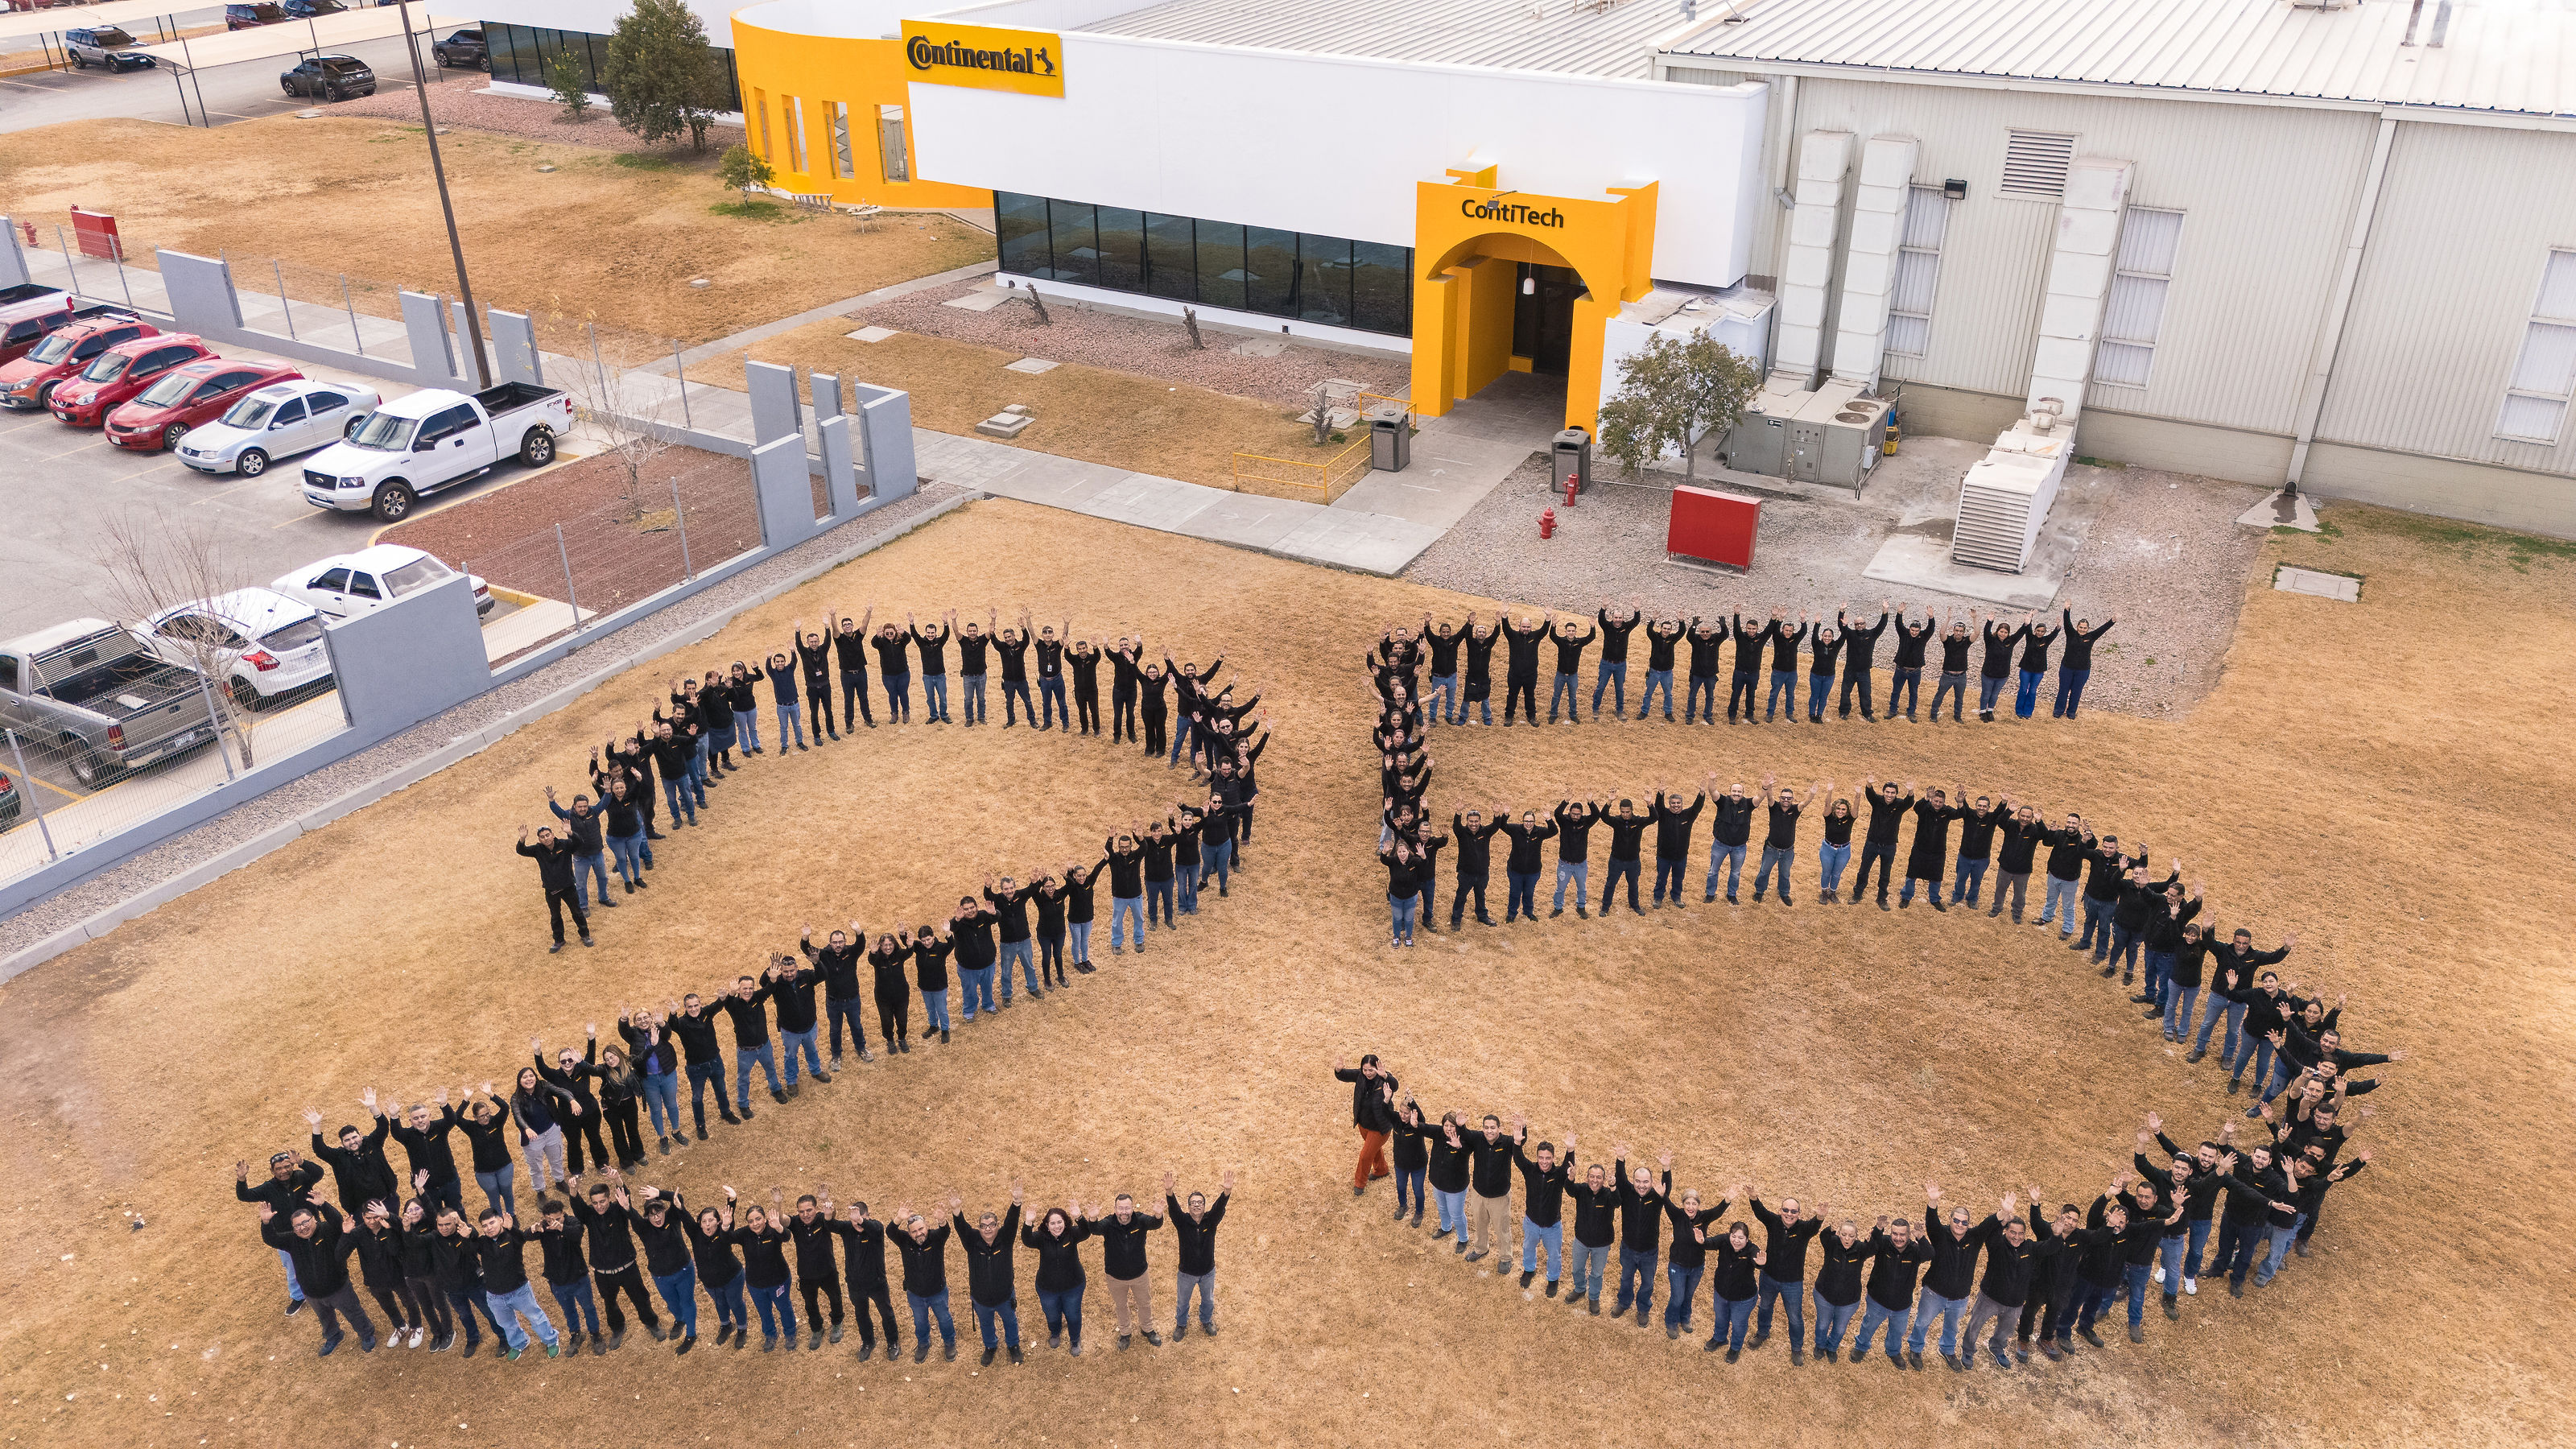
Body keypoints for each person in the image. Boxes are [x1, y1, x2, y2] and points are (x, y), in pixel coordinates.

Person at [260, 1189, 378, 1355]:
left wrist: (323, 1205)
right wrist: (266, 1224)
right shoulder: (292, 1240)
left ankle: (366, 1334)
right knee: (325, 1318)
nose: (302, 1228)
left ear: (314, 1219)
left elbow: (338, 1222)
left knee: (354, 1312)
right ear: (293, 1229)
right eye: (298, 1226)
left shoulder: (327, 1231)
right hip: (312, 1293)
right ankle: (333, 1336)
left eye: (305, 1222)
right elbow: (271, 1239)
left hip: (338, 1288)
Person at [1957, 1192, 2062, 1369]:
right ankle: (1967, 1350)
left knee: (2005, 1332)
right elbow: (1989, 1232)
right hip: (1989, 1298)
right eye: (2012, 1232)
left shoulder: (2030, 1247)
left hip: (2015, 1304)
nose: (2016, 1237)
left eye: (2020, 1233)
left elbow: (2051, 1247)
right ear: (2006, 1232)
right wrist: (2002, 1218)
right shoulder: (1997, 1245)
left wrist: (2057, 1235)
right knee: (1975, 1326)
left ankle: (1997, 1348)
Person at [570, 1178, 663, 1348]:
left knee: (641, 1298)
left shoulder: (618, 1210)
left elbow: (625, 1198)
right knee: (609, 1303)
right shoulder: (589, 1215)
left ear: (609, 1199)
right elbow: (578, 1208)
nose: (599, 1206)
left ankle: (652, 1323)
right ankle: (618, 1328)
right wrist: (573, 1191)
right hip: (603, 1273)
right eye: (595, 1203)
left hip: (627, 1268)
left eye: (603, 1201)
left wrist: (618, 1181)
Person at [475, 1208, 564, 1360]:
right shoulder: (482, 1242)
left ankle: (551, 1340)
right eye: (484, 1226)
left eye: (492, 1223)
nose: (489, 1228)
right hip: (495, 1296)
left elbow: (521, 1239)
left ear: (501, 1221)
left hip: (519, 1291)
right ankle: (519, 1343)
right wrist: (469, 1233)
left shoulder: (512, 1237)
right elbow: (469, 1246)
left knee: (535, 1317)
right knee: (506, 1323)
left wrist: (512, 1228)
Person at [951, 1187, 1025, 1366]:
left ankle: (1013, 1345)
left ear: (998, 1226)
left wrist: (1016, 1203)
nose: (988, 1229)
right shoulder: (972, 1241)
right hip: (981, 1298)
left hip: (1005, 1296)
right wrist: (956, 1211)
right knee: (986, 1324)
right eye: (983, 1226)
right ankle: (990, 1346)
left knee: (1010, 1321)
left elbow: (1013, 1221)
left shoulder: (1005, 1239)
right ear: (979, 1228)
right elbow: (962, 1228)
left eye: (992, 1225)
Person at [1748, 1189, 1823, 1363]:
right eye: (1786, 1210)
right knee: (1765, 1307)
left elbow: (1814, 1227)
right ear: (1780, 1211)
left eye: (1794, 1211)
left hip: (1793, 1283)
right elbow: (1760, 1212)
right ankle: (1762, 1333)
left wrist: (1820, 1217)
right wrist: (1754, 1197)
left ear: (1799, 1213)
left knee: (1795, 1317)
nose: (1789, 1214)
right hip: (1769, 1277)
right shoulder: (1773, 1222)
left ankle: (1797, 1348)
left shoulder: (1804, 1229)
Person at [826, 1195, 902, 1361]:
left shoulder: (875, 1228)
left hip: (877, 1283)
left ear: (867, 1216)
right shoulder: (847, 1229)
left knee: (886, 1313)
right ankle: (868, 1342)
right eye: (854, 1221)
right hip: (855, 1285)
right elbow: (831, 1224)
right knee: (861, 1314)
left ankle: (893, 1343)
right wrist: (828, 1214)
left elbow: (876, 1228)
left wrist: (860, 1220)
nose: (858, 1224)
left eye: (861, 1219)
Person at [1910, 1185, 1975, 1369]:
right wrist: (1933, 1201)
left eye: (1964, 1222)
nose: (1960, 1225)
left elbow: (1990, 1225)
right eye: (1957, 1220)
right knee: (1922, 1322)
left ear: (1968, 1224)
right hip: (1934, 1294)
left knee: (1952, 1328)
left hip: (1959, 1298)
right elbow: (1931, 1222)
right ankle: (1915, 1348)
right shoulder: (1940, 1235)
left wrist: (2004, 1213)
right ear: (1951, 1220)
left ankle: (1947, 1350)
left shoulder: (1973, 1238)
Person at [1089, 1190, 1164, 1350]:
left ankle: (1147, 1329)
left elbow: (1155, 1224)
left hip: (1140, 1275)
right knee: (1121, 1305)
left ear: (1132, 1208)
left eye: (1127, 1208)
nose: (1124, 1212)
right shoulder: (1109, 1223)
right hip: (1115, 1277)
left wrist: (1158, 1215)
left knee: (1144, 1303)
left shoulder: (1141, 1220)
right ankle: (1125, 1333)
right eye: (1120, 1208)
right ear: (1115, 1209)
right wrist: (1093, 1218)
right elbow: (1095, 1229)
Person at [630, 1186, 700, 1354]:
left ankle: (691, 1334)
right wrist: (627, 1205)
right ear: (647, 1216)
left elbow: (679, 1198)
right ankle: (679, 1320)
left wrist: (660, 1194)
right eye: (652, 1214)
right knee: (673, 1303)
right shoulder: (643, 1227)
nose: (657, 1217)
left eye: (659, 1211)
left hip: (683, 1271)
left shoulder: (672, 1218)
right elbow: (629, 1212)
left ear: (664, 1210)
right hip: (661, 1276)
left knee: (687, 1302)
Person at [724, 1189, 797, 1351]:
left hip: (779, 1281)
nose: (755, 1224)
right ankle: (770, 1335)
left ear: (765, 1219)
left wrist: (778, 1227)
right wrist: (726, 1223)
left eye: (758, 1219)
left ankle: (790, 1334)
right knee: (764, 1312)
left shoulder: (773, 1230)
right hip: (755, 1284)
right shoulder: (745, 1234)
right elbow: (727, 1238)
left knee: (784, 1308)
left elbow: (787, 1237)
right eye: (751, 1221)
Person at [1852, 1214, 1929, 1367]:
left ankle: (1893, 1351)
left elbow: (1929, 1254)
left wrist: (1921, 1237)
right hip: (1877, 1300)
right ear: (1891, 1233)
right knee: (1868, 1326)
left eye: (1902, 1234)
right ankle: (1861, 1346)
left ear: (1909, 1235)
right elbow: (1870, 1247)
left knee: (1898, 1332)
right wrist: (1878, 1228)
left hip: (1902, 1305)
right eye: (1895, 1233)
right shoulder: (1884, 1243)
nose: (1898, 1238)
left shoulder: (1915, 1250)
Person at [662, 991, 739, 1142]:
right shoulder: (682, 1023)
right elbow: (672, 1025)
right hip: (696, 1068)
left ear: (700, 1004)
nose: (694, 1009)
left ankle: (726, 1112)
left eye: (696, 1005)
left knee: (721, 1090)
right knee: (697, 1098)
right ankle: (700, 1126)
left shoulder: (706, 1013)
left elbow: (719, 1005)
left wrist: (725, 996)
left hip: (715, 1061)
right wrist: (672, 1012)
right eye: (690, 1007)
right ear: (685, 1008)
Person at [533, 1195, 605, 1356]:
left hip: (579, 1277)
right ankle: (575, 1334)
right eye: (550, 1220)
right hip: (557, 1281)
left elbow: (577, 1234)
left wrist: (561, 1228)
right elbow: (526, 1236)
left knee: (588, 1307)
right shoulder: (544, 1227)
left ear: (563, 1214)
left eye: (558, 1218)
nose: (554, 1222)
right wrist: (534, 1229)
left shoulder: (572, 1222)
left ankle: (595, 1334)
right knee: (569, 1310)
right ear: (545, 1219)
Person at [800, 923, 875, 1071]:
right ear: (830, 943)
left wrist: (859, 931)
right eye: (835, 942)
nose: (838, 945)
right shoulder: (823, 954)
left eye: (841, 942)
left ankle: (861, 1048)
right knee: (835, 1030)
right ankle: (836, 1056)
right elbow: (806, 949)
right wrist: (806, 937)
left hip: (853, 999)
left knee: (857, 1026)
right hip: (833, 1002)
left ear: (845, 942)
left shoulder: (851, 952)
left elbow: (861, 944)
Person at [306, 1099, 398, 1218]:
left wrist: (373, 1107)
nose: (352, 1142)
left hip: (387, 1202)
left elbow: (383, 1127)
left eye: (354, 1137)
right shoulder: (338, 1157)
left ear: (361, 1136)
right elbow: (320, 1150)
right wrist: (316, 1126)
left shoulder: (373, 1143)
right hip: (360, 1211)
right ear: (342, 1143)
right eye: (347, 1140)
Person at [532, 1039, 610, 1181]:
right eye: (563, 1061)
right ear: (559, 1064)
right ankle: (576, 1169)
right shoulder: (555, 1076)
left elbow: (590, 1056)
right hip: (568, 1118)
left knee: (595, 1138)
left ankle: (602, 1163)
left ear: (574, 1060)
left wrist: (591, 1038)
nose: (567, 1063)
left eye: (570, 1060)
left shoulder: (583, 1069)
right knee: (573, 1143)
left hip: (590, 1113)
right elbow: (542, 1069)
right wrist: (538, 1052)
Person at [1506, 1121, 1570, 1294]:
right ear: (1537, 1157)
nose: (1544, 1161)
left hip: (1552, 1226)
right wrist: (1517, 1142)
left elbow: (1568, 1166)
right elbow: (1518, 1158)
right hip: (1532, 1222)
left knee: (1555, 1255)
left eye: (1548, 1158)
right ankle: (1529, 1270)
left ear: (1553, 1159)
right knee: (1528, 1248)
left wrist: (1571, 1150)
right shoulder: (1530, 1170)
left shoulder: (1558, 1175)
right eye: (1541, 1158)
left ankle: (1553, 1279)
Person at [678, 1191, 749, 1347]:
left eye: (711, 1220)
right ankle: (726, 1325)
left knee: (735, 1303)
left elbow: (729, 1216)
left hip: (732, 1278)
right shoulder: (695, 1234)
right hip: (710, 1283)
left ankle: (742, 1329)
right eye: (704, 1221)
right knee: (720, 1304)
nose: (708, 1224)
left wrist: (732, 1200)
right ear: (700, 1223)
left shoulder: (724, 1232)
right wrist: (678, 1206)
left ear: (718, 1222)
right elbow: (684, 1215)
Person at [1167, 1169, 1231, 1340]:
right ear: (1188, 1207)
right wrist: (1169, 1192)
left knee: (1208, 1301)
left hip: (1208, 1272)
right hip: (1186, 1274)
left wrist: (1226, 1192)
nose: (1196, 1205)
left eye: (1200, 1202)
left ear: (1204, 1206)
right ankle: (1181, 1324)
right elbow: (1173, 1210)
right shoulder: (1182, 1222)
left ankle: (1206, 1320)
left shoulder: (1211, 1221)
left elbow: (1219, 1207)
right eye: (1193, 1203)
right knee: (1182, 1303)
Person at [1023, 1199, 1092, 1355]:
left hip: (1073, 1286)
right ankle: (1055, 1332)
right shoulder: (1041, 1237)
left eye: (1059, 1222)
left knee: (1073, 1315)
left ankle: (1075, 1340)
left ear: (1065, 1223)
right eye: (1052, 1223)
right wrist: (1028, 1222)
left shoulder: (1072, 1234)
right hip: (1047, 1288)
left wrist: (1079, 1217)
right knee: (1052, 1315)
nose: (1057, 1226)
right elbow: (1027, 1240)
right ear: (1047, 1225)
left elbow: (1086, 1232)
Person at [1609, 1149, 1670, 1326]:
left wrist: (1666, 1168)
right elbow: (1621, 1179)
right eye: (1637, 1181)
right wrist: (1620, 1159)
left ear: (1652, 1182)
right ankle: (1624, 1302)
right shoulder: (1628, 1193)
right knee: (1626, 1278)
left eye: (1645, 1182)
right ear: (1633, 1181)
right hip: (1628, 1248)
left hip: (1649, 1252)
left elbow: (1667, 1188)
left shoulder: (1657, 1198)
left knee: (1647, 1284)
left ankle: (1643, 1308)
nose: (1641, 1185)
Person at [715, 970, 786, 1117]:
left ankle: (776, 1089)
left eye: (750, 988)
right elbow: (727, 1002)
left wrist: (773, 979)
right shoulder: (733, 1004)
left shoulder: (758, 998)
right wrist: (731, 993)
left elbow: (769, 989)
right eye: (744, 988)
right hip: (745, 1051)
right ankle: (743, 1103)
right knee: (743, 1078)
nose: (748, 991)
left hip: (764, 1046)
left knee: (771, 1069)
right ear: (739, 990)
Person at [784, 1187, 847, 1349]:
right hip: (806, 1275)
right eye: (801, 1211)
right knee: (810, 1304)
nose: (805, 1214)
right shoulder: (796, 1223)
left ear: (816, 1209)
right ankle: (817, 1329)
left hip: (828, 1271)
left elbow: (831, 1215)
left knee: (835, 1298)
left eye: (809, 1210)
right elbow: (781, 1220)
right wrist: (777, 1203)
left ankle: (837, 1323)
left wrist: (827, 1199)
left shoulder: (822, 1219)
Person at [514, 825, 593, 953]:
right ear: (539, 839)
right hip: (551, 890)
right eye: (542, 837)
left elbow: (579, 843)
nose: (546, 839)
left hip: (568, 887)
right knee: (555, 916)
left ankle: (585, 935)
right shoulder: (537, 850)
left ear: (553, 835)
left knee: (577, 912)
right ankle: (559, 940)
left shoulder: (565, 844)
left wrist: (571, 833)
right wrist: (522, 839)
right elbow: (521, 850)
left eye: (547, 835)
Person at [1660, 1183, 1723, 1340]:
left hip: (1697, 1266)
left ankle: (1685, 1318)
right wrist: (1663, 1195)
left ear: (1698, 1205)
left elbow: (1717, 1212)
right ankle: (1671, 1321)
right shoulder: (1677, 1215)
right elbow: (1667, 1203)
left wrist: (1727, 1200)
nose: (1691, 1206)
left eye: (1694, 1203)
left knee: (1688, 1295)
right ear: (1683, 1204)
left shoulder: (1704, 1217)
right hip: (1677, 1265)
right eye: (1687, 1203)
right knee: (1678, 1296)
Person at [507, 1065, 580, 1199]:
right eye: (525, 1077)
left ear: (535, 1077)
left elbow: (560, 1091)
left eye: (531, 1076)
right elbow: (517, 1116)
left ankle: (559, 1181)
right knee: (535, 1167)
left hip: (551, 1131)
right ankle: (540, 1191)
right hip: (533, 1138)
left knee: (556, 1159)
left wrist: (571, 1100)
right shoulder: (516, 1098)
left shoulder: (544, 1086)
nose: (529, 1079)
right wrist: (526, 1128)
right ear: (519, 1081)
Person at [543, 786, 616, 917]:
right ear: (574, 807)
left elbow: (604, 803)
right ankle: (583, 905)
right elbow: (556, 810)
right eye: (580, 807)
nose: (583, 809)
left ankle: (603, 898)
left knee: (603, 878)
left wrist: (608, 792)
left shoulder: (594, 811)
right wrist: (551, 800)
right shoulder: (568, 815)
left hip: (597, 853)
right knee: (581, 883)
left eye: (585, 806)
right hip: (580, 857)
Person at [388, 1096, 464, 1220]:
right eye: (416, 1118)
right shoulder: (408, 1136)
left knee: (457, 1212)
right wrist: (394, 1116)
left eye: (423, 1117)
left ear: (429, 1116)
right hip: (426, 1187)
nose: (420, 1121)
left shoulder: (440, 1128)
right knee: (433, 1217)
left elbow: (451, 1119)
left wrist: (444, 1104)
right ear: (410, 1121)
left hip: (450, 1182)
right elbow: (396, 1133)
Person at [1333, 1055, 1398, 1197]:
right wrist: (1338, 1070)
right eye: (1365, 1070)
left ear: (1377, 1068)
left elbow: (1395, 1086)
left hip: (1380, 1127)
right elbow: (1344, 1075)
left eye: (1371, 1070)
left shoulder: (1384, 1079)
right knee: (1373, 1150)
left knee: (1365, 1156)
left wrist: (1385, 1075)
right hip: (1363, 1124)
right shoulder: (1360, 1076)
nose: (1368, 1073)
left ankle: (1360, 1184)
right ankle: (1381, 1170)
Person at [1808, 1217, 1871, 1362]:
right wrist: (1831, 1228)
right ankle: (1820, 1345)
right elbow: (1824, 1236)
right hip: (1824, 1295)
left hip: (1849, 1300)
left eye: (1851, 1236)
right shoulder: (1832, 1244)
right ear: (1839, 1234)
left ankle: (1832, 1348)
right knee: (1823, 1324)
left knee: (1840, 1328)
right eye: (1843, 1234)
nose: (1847, 1239)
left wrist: (1876, 1233)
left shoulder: (1860, 1250)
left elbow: (1872, 1248)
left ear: (1856, 1237)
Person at [1752, 778, 1823, 905]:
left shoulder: (1795, 810)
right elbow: (1769, 797)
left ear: (1792, 800)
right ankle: (1759, 892)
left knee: (1785, 874)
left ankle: (1784, 894)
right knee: (1764, 871)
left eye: (1789, 798)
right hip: (1771, 849)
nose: (1786, 800)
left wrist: (1812, 794)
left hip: (1788, 851)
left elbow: (1805, 803)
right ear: (1780, 798)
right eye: (1783, 798)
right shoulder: (1774, 807)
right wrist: (1769, 786)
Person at [1897, 785, 1967, 910]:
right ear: (1932, 800)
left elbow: (1961, 814)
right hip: (1919, 848)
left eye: (1940, 802)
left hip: (1938, 851)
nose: (1937, 804)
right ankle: (1906, 897)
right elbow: (1917, 807)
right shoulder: (1925, 808)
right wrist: (1926, 797)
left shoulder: (1946, 811)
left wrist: (1961, 803)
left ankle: (1934, 899)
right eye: (1935, 801)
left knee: (1936, 877)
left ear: (1944, 802)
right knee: (1912, 874)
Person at [1459, 1114, 1517, 1263]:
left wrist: (1523, 1129)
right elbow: (1465, 1134)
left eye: (1493, 1128)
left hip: (1499, 1197)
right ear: (1483, 1128)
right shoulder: (1478, 1138)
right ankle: (1481, 1248)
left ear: (1499, 1129)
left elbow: (1520, 1143)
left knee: (1502, 1229)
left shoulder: (1508, 1142)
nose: (1489, 1131)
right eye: (1486, 1128)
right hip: (1479, 1194)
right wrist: (1461, 1126)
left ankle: (1505, 1257)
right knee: (1479, 1224)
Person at [1705, 1221, 1766, 1360]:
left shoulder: (1751, 1249)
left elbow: (1757, 1259)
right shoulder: (1724, 1241)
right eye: (1734, 1236)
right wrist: (1702, 1241)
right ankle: (1719, 1338)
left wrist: (1760, 1263)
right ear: (1730, 1235)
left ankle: (1735, 1348)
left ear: (1747, 1239)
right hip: (1721, 1292)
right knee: (1721, 1318)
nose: (1736, 1241)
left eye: (1741, 1238)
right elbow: (1710, 1243)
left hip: (1743, 1299)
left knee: (1739, 1324)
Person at [452, 1087, 517, 1214]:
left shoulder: (496, 1122)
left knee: (507, 1192)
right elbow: (456, 1118)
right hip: (484, 1172)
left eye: (487, 1114)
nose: (486, 1118)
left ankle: (512, 1215)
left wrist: (491, 1095)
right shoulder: (471, 1128)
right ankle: (497, 1219)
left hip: (504, 1166)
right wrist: (466, 1100)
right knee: (494, 1198)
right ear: (475, 1117)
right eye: (481, 1116)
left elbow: (505, 1108)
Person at [1850, 779, 1911, 908]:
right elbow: (1869, 793)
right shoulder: (1877, 801)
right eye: (1887, 792)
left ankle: (1882, 898)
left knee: (1885, 874)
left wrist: (1911, 791)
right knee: (1863, 871)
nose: (1889, 795)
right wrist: (1869, 783)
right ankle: (1857, 894)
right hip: (1872, 843)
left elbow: (1909, 802)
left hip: (1889, 846)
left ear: (1896, 794)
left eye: (1893, 793)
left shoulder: (1899, 805)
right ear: (1883, 792)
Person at [1648, 779, 1708, 908]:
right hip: (1663, 855)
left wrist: (1702, 793)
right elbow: (1658, 806)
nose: (1676, 805)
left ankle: (1676, 897)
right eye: (1673, 803)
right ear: (1669, 804)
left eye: (1678, 803)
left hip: (1681, 856)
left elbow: (1697, 807)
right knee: (1661, 879)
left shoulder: (1688, 815)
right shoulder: (1663, 815)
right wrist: (1661, 793)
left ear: (1682, 804)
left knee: (1678, 879)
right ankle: (1658, 898)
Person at [985, 873, 1042, 1004]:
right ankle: (1006, 994)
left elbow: (1031, 890)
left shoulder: (1020, 895)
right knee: (1006, 970)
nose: (1009, 891)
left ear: (1015, 888)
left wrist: (1034, 882)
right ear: (1002, 890)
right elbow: (988, 897)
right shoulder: (998, 899)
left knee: (1029, 966)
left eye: (1011, 888)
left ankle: (1033, 987)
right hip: (1007, 943)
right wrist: (987, 887)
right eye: (1006, 889)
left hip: (1024, 940)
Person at [1703, 777, 1758, 904]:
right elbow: (1713, 792)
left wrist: (1765, 788)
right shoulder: (1722, 802)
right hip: (1720, 845)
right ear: (1730, 792)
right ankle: (1710, 894)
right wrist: (1711, 780)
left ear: (1743, 794)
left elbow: (1759, 798)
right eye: (1734, 791)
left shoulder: (1748, 804)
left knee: (1735, 873)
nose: (1736, 794)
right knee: (1713, 871)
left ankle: (1731, 895)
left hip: (1739, 847)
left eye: (1739, 792)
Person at [2054, 608, 2117, 718]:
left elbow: (2103, 629)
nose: (2083, 630)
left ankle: (2071, 712)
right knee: (2063, 690)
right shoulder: (2071, 634)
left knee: (2076, 692)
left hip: (2083, 670)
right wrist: (2067, 610)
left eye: (2085, 628)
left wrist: (2112, 621)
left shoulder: (2091, 636)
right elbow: (2067, 621)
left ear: (2088, 629)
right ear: (2077, 627)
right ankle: (2058, 711)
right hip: (2067, 668)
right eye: (2081, 627)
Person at [1988, 805, 2046, 923]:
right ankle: (1997, 908)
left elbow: (2046, 836)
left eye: (2028, 817)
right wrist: (2009, 811)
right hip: (2005, 867)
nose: (2025, 819)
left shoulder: (2035, 830)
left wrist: (2039, 822)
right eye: (2023, 815)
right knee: (2000, 889)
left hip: (2023, 871)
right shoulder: (2010, 825)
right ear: (2018, 815)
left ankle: (2017, 913)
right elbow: (1999, 821)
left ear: (2032, 818)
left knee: (2020, 894)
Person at [1951, 792, 2008, 909]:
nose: (1982, 808)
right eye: (1979, 805)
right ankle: (1957, 896)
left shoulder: (1992, 819)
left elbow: (1999, 811)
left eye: (1984, 806)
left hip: (1982, 859)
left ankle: (1972, 899)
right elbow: (1964, 807)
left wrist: (2004, 802)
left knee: (1976, 882)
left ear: (1988, 808)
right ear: (1976, 805)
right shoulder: (1969, 815)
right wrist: (1962, 801)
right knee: (1960, 879)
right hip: (1964, 856)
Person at [1448, 807, 1501, 928]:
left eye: (1476, 821)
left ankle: (1482, 916)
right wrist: (1458, 812)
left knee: (1480, 895)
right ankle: (1456, 919)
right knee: (1461, 896)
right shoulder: (1461, 833)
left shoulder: (1485, 832)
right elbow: (1456, 826)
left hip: (1482, 873)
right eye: (1471, 821)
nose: (1474, 824)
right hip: (1466, 874)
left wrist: (1497, 813)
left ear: (1480, 821)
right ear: (1467, 821)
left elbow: (1496, 826)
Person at [1601, 797, 1652, 915]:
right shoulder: (1616, 821)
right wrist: (1609, 801)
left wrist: (1649, 804)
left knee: (1633, 884)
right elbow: (1603, 816)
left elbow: (1654, 817)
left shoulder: (1638, 821)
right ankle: (1605, 907)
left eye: (1627, 812)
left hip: (1633, 861)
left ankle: (1635, 905)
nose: (1625, 814)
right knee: (1610, 884)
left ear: (1632, 810)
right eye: (1623, 812)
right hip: (1616, 860)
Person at [1549, 795, 1596, 918]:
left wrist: (1590, 802)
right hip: (1565, 864)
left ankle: (1581, 907)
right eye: (1573, 814)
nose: (1575, 817)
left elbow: (1597, 815)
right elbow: (1557, 813)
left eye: (1578, 814)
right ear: (1569, 813)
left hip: (1581, 864)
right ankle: (1558, 908)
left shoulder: (1585, 822)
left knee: (1582, 888)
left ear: (1582, 814)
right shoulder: (1564, 821)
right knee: (1560, 888)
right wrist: (1565, 801)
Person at [830, 607, 877, 731]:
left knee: (863, 697)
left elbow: (864, 625)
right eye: (845, 625)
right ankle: (849, 723)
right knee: (849, 699)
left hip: (861, 672)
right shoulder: (839, 639)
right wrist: (833, 616)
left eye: (849, 624)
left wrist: (869, 612)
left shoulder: (858, 636)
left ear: (852, 625)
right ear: (842, 627)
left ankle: (868, 719)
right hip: (847, 675)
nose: (847, 626)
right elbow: (834, 629)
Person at [1591, 601, 1641, 717]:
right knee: (1600, 687)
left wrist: (1637, 609)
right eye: (1616, 617)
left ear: (1623, 618)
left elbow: (1636, 621)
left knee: (1620, 689)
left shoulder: (1626, 627)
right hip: (1606, 663)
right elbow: (1601, 619)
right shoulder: (1607, 626)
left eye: (1620, 618)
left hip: (1621, 665)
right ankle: (1595, 709)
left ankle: (1620, 711)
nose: (1618, 620)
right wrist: (1603, 607)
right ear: (1612, 618)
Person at [793, 621, 840, 742]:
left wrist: (827, 627)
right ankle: (817, 736)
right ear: (808, 642)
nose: (814, 644)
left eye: (816, 641)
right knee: (814, 713)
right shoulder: (804, 653)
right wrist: (797, 630)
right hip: (812, 688)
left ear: (819, 642)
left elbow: (828, 640)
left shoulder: (823, 650)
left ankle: (831, 731)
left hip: (825, 686)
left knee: (828, 710)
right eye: (811, 642)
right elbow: (798, 645)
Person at [1499, 613, 1546, 725]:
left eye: (1528, 627)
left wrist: (1548, 618)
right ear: (1519, 626)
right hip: (1515, 674)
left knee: (1530, 696)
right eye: (1524, 626)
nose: (1526, 629)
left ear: (1531, 627)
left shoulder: (1535, 637)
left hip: (1530, 675)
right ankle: (1509, 717)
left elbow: (1544, 630)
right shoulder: (1512, 636)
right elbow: (1506, 628)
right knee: (1512, 696)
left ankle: (1532, 717)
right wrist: (1504, 616)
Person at [1724, 613, 1772, 723]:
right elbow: (1736, 628)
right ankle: (1732, 715)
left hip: (1754, 673)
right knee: (1736, 694)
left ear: (1757, 629)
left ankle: (1750, 715)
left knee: (1751, 695)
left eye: (1754, 629)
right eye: (1749, 628)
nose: (1751, 631)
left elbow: (1769, 631)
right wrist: (1736, 614)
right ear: (1746, 628)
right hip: (1739, 672)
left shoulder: (1761, 639)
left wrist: (1773, 618)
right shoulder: (1741, 637)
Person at [1977, 614, 2025, 722]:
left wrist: (2026, 624)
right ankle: (1982, 712)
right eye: (2001, 631)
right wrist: (1989, 621)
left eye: (2005, 632)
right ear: (1997, 631)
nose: (2003, 634)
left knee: (1994, 695)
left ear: (2008, 633)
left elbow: (2020, 633)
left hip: (2003, 675)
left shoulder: (2011, 641)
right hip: (1988, 674)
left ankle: (1990, 711)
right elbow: (1986, 631)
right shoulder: (1990, 640)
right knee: (1986, 694)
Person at [1927, 613, 1975, 722]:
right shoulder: (1948, 641)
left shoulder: (1966, 641)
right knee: (1940, 695)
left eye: (1961, 631)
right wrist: (1948, 618)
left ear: (1964, 632)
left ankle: (1957, 716)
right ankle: (1933, 714)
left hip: (1961, 676)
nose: (1958, 633)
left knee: (1959, 698)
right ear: (1953, 630)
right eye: (1956, 630)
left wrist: (1975, 618)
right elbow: (1941, 633)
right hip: (1947, 675)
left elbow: (1977, 633)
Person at [909, 610, 954, 723]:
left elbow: (946, 635)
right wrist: (911, 623)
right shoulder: (922, 643)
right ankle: (933, 716)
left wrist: (945, 623)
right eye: (928, 633)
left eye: (932, 633)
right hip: (927, 676)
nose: (930, 635)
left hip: (940, 676)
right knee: (930, 698)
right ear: (926, 633)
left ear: (935, 633)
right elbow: (914, 635)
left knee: (943, 698)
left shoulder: (940, 642)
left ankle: (944, 715)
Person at [2013, 612, 2060, 720]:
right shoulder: (2030, 637)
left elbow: (2055, 634)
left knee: (2033, 690)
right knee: (2023, 689)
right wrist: (2030, 618)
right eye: (2038, 631)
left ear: (2044, 632)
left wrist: (2058, 627)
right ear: (2035, 631)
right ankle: (2019, 710)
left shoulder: (2046, 640)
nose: (2039, 633)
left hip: (2038, 671)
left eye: (2042, 631)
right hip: (2026, 668)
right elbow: (2027, 628)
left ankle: (2028, 711)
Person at [1637, 613, 1682, 720]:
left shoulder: (1672, 639)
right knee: (1648, 693)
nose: (1666, 631)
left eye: (1668, 629)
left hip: (1667, 672)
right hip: (1654, 671)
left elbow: (1682, 632)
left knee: (1668, 694)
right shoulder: (1655, 637)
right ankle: (1644, 711)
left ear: (1671, 630)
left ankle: (1668, 713)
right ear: (1661, 628)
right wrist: (1653, 619)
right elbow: (1649, 630)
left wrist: (1681, 621)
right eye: (1664, 628)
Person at [871, 617, 913, 724]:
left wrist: (904, 633)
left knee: (903, 694)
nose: (889, 634)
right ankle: (894, 713)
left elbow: (908, 639)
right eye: (887, 633)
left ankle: (906, 712)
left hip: (903, 673)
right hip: (888, 675)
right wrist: (877, 636)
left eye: (891, 632)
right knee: (892, 694)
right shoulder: (881, 643)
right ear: (884, 633)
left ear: (895, 632)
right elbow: (874, 644)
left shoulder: (900, 641)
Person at [1816, 791, 1856, 901]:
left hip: (1844, 851)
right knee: (1826, 872)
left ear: (1847, 811)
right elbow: (1827, 804)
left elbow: (1856, 808)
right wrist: (1829, 791)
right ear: (1834, 809)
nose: (1840, 811)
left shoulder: (1850, 820)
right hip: (1827, 849)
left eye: (1843, 809)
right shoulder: (1829, 817)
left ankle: (1833, 892)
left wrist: (1858, 794)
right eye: (1838, 808)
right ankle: (1824, 892)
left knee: (1837, 874)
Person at [959, 609, 995, 727]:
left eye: (974, 631)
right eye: (970, 631)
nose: (972, 633)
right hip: (968, 676)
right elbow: (955, 631)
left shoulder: (982, 640)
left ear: (977, 631)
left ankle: (981, 717)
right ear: (967, 632)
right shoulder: (963, 641)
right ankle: (969, 718)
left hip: (981, 675)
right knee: (968, 699)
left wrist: (993, 619)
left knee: (981, 698)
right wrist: (953, 620)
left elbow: (991, 632)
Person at [1803, 618, 1839, 722]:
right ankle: (1811, 714)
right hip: (1816, 675)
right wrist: (1817, 623)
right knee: (1814, 695)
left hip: (1829, 676)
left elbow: (1844, 636)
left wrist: (1844, 624)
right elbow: (1814, 634)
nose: (1827, 638)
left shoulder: (1836, 646)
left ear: (1832, 638)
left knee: (1823, 697)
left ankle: (1819, 715)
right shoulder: (1817, 644)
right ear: (1822, 636)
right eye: (1825, 636)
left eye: (1829, 636)